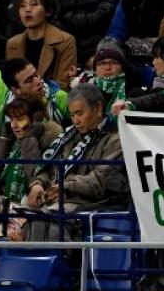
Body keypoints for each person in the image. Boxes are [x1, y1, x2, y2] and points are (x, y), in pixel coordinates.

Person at [26, 83, 129, 234]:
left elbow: (101, 180)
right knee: (8, 217)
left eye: (80, 114)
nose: (75, 121)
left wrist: (66, 186)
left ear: (98, 109)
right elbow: (49, 168)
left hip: (87, 204)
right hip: (55, 200)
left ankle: (63, 257)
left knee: (45, 222)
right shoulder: (69, 136)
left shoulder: (116, 138)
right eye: (72, 115)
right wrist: (37, 184)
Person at [0, 94, 63, 205]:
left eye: (20, 119)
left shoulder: (50, 138)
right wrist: (3, 139)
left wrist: (29, 138)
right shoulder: (11, 137)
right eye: (11, 119)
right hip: (2, 202)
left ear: (35, 118)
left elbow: (34, 174)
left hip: (33, 205)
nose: (14, 125)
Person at [5, 0, 77, 89]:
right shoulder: (12, 44)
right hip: (21, 101)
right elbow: (12, 85)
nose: (27, 10)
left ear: (48, 11)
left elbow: (63, 85)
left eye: (34, 4)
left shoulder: (65, 41)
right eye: (22, 6)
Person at [2, 57, 69, 126]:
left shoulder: (60, 98)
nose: (38, 81)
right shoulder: (9, 111)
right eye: (29, 80)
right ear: (15, 90)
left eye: (36, 74)